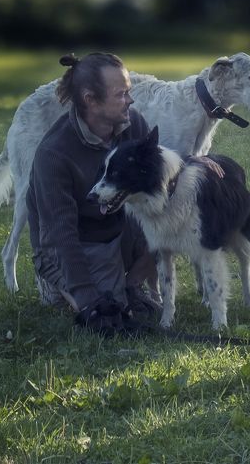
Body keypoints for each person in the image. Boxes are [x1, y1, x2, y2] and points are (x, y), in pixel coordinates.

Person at [27, 52, 159, 334]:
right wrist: (86, 297)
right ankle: (55, 283)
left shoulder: (133, 124)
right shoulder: (54, 154)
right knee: (104, 306)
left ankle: (132, 285)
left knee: (168, 224)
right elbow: (61, 232)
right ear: (90, 99)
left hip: (119, 226)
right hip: (77, 239)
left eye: (129, 92)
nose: (130, 101)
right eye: (121, 94)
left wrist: (199, 166)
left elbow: (160, 178)